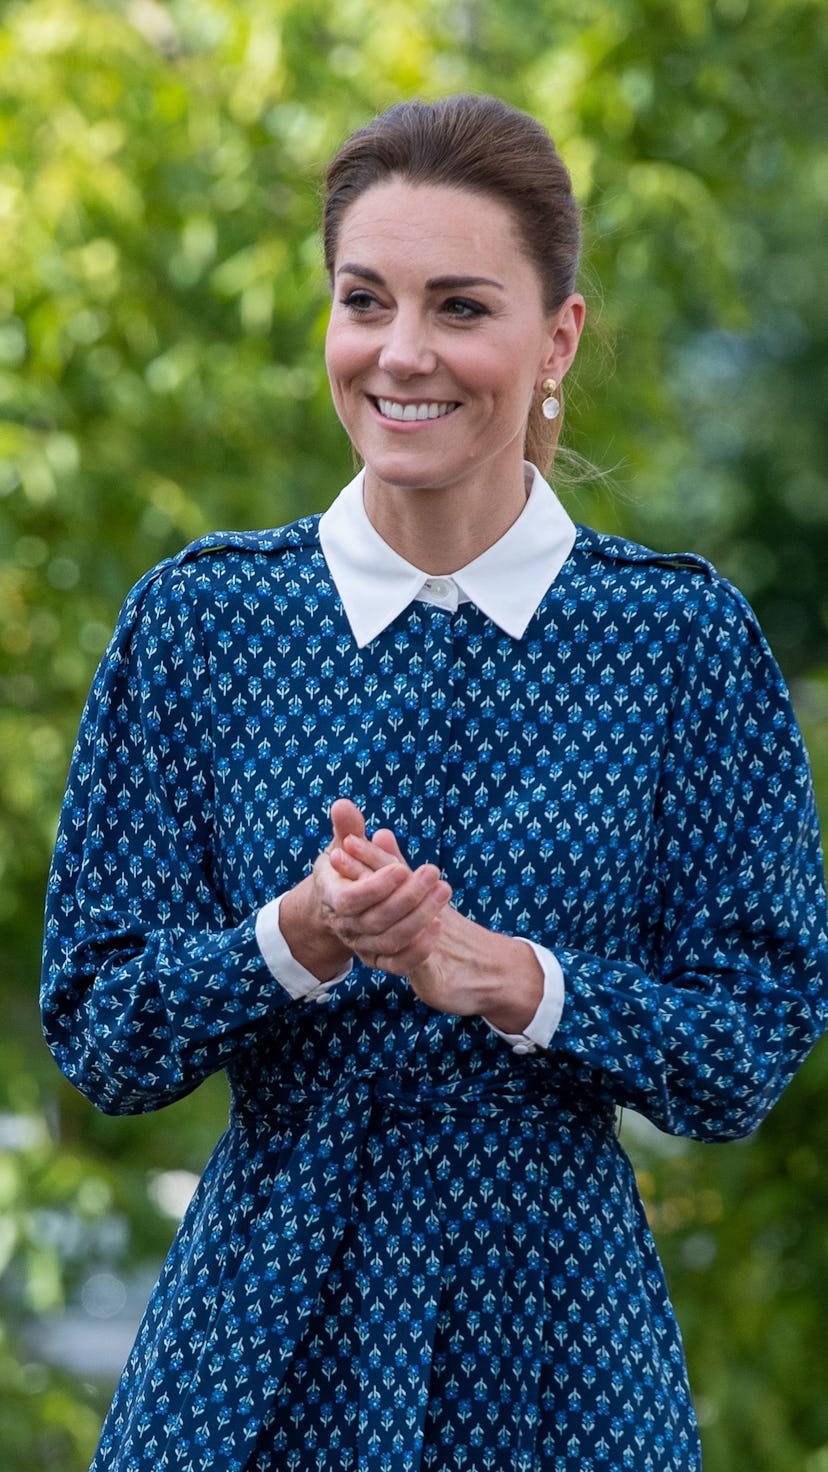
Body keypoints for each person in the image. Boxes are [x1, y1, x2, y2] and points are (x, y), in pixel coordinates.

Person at [41, 94, 828, 1472]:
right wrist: (294, 940)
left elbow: (751, 1047)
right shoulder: (202, 623)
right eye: (365, 300)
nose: (401, 354)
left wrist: (510, 978)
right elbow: (101, 1030)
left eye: (461, 306)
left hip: (563, 1364)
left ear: (557, 338)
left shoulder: (681, 644)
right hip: (252, 1354)